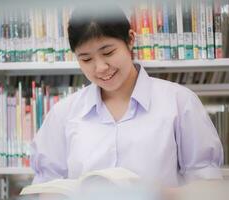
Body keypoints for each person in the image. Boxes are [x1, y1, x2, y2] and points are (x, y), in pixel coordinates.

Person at [30, 5, 223, 187]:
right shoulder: (63, 114)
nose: (100, 68)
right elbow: (47, 184)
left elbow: (204, 181)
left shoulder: (180, 102)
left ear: (130, 39)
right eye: (86, 59)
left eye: (108, 52)